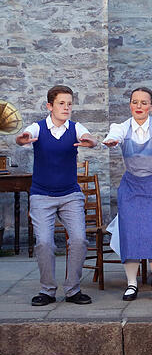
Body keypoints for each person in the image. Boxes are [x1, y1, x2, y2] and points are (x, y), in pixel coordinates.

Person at [16, 85, 97, 306]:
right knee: (44, 243)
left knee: (80, 240)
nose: (66, 107)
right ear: (49, 106)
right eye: (61, 103)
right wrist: (22, 139)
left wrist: (91, 141)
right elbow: (24, 136)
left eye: (69, 103)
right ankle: (47, 290)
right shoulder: (38, 127)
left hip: (70, 195)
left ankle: (72, 290)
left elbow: (89, 137)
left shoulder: (75, 127)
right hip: (42, 195)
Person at [102, 87, 152, 301]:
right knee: (129, 233)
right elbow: (113, 135)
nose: (139, 106)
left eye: (144, 102)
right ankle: (131, 284)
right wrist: (111, 141)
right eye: (135, 102)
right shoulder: (121, 127)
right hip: (132, 187)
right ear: (130, 105)